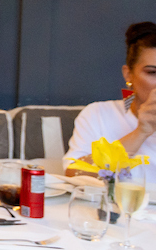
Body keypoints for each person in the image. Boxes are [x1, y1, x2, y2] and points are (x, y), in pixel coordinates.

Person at [64, 21, 156, 174]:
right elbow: (74, 173)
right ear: (128, 75)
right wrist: (141, 132)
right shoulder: (99, 114)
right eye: (152, 72)